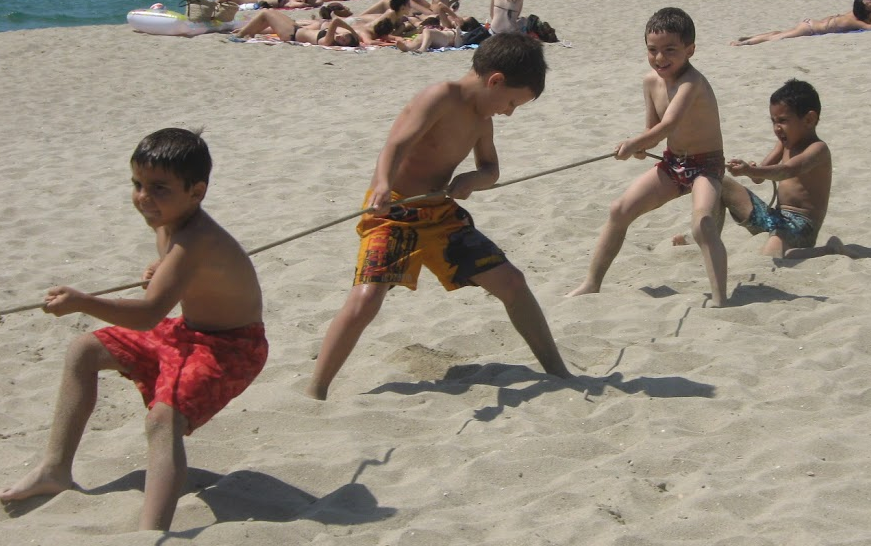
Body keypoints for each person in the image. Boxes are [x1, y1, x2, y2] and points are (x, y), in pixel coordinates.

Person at [0, 129, 269, 531]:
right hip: (188, 332)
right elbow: (179, 280)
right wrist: (161, 270)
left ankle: (150, 533)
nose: (144, 197)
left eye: (159, 188)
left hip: (232, 347)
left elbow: (147, 315)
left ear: (196, 192)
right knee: (83, 350)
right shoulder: (167, 218)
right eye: (137, 184)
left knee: (164, 419)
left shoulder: (195, 238)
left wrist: (82, 301)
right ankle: (55, 469)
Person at [305, 33, 573, 400]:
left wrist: (472, 179)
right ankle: (316, 389)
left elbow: (491, 169)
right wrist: (382, 185)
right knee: (366, 298)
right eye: (511, 102)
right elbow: (394, 146)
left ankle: (557, 371)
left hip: (438, 214)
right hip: (393, 210)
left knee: (511, 281)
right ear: (495, 80)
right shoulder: (440, 97)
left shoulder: (482, 119)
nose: (509, 112)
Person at [566, 7, 728, 307]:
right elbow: (653, 129)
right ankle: (591, 283)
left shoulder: (692, 82)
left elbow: (670, 125)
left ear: (690, 50)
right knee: (619, 209)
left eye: (670, 50)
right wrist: (638, 148)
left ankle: (720, 300)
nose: (659, 58)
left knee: (702, 223)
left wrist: (634, 143)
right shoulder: (650, 82)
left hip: (706, 165)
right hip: (672, 163)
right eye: (652, 50)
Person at [718, 79, 858, 259]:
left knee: (771, 256)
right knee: (718, 182)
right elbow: (759, 178)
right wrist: (750, 168)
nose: (777, 128)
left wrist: (752, 171)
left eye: (783, 121)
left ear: (809, 119)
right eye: (773, 121)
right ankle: (710, 237)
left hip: (801, 226)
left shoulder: (817, 149)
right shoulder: (783, 144)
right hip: (775, 217)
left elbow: (788, 170)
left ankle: (828, 250)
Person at [730, 0, 871, 46]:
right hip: (810, 29)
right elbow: (869, 27)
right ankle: (743, 43)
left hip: (809, 23)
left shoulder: (851, 14)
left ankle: (751, 38)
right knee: (777, 37)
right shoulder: (856, 21)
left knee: (778, 33)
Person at [232, 8, 361, 46]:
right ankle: (250, 32)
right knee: (270, 15)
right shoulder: (333, 35)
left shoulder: (328, 41)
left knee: (266, 12)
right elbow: (335, 22)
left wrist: (352, 32)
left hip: (292, 34)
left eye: (343, 41)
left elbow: (336, 21)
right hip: (296, 28)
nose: (341, 37)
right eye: (344, 37)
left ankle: (240, 35)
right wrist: (352, 34)